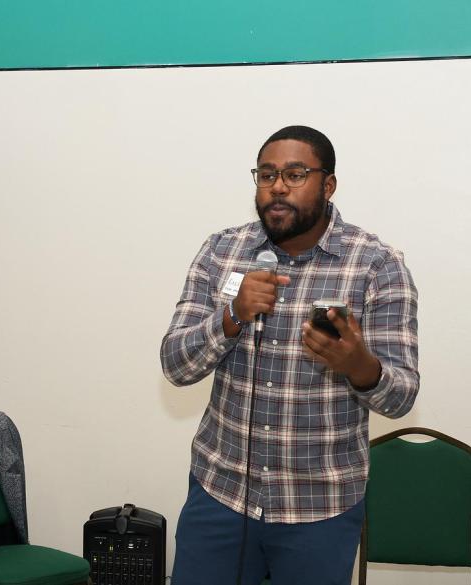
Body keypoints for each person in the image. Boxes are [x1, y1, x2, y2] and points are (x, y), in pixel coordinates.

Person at [160, 126, 419, 585]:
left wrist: (357, 365)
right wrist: (233, 316)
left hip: (318, 508)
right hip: (220, 496)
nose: (278, 186)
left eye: (296, 174)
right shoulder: (222, 250)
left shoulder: (376, 265)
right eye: (266, 174)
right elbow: (176, 365)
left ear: (328, 184)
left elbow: (400, 397)